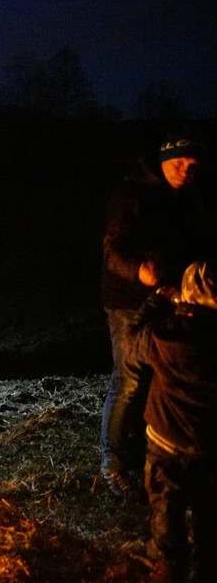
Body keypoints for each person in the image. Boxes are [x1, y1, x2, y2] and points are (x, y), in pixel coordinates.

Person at [100, 134, 213, 499]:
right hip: (130, 300)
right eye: (179, 162)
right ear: (164, 159)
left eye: (193, 165)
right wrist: (139, 272)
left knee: (161, 375)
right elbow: (112, 250)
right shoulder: (132, 194)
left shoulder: (189, 196)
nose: (185, 170)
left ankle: (143, 449)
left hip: (170, 296)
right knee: (129, 381)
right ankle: (112, 466)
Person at [139, 261, 217, 583]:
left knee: (166, 510)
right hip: (208, 445)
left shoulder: (163, 333)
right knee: (208, 512)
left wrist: (158, 299)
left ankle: (168, 573)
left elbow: (131, 338)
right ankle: (206, 575)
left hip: (165, 441)